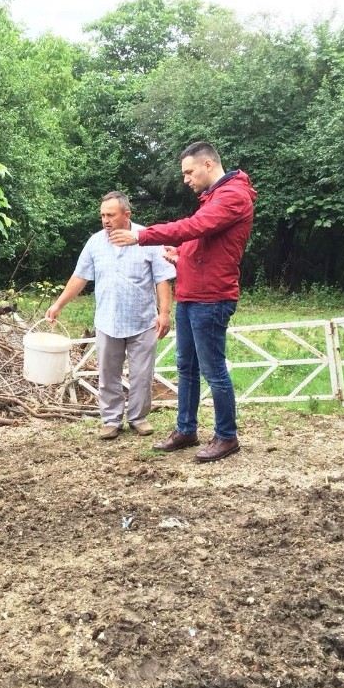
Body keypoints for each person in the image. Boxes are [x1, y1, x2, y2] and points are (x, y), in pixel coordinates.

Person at [113, 141, 255, 462]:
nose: (186, 179)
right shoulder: (214, 198)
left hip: (212, 298)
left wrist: (142, 235)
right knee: (186, 367)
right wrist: (182, 256)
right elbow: (203, 241)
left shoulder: (233, 196)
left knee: (213, 369)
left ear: (208, 165)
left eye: (189, 172)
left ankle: (227, 436)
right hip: (191, 295)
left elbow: (195, 227)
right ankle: (186, 429)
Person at [45, 191, 175, 440]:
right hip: (108, 321)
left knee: (142, 375)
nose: (105, 220)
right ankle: (111, 420)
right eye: (102, 215)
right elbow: (80, 276)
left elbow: (162, 279)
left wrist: (165, 313)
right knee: (108, 375)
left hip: (143, 321)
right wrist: (59, 304)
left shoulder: (147, 239)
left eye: (111, 215)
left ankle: (138, 418)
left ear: (127, 215)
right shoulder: (95, 242)